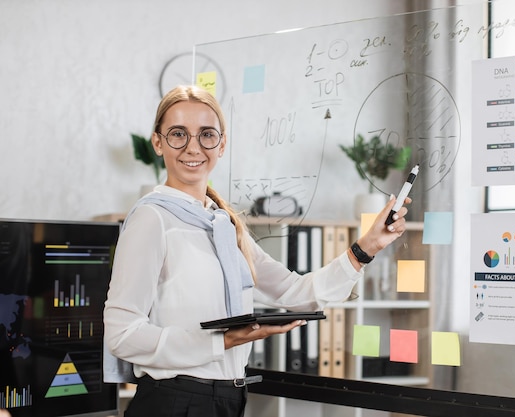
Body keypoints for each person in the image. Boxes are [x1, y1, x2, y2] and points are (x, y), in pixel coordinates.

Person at [103, 85, 411, 417]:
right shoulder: (152, 218)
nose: (193, 147)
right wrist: (221, 340)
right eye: (179, 134)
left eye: (206, 135)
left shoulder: (224, 225)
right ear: (158, 142)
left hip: (229, 399)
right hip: (176, 402)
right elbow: (123, 335)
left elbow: (296, 294)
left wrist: (366, 247)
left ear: (222, 145)